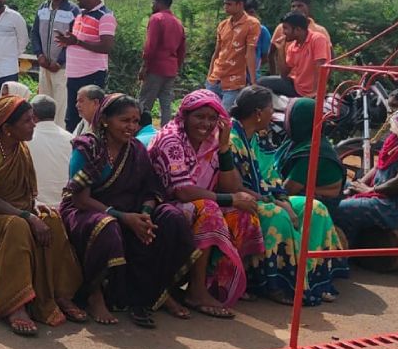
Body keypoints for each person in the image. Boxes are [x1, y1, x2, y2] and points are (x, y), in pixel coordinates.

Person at [61, 94, 196, 327]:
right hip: (86, 211)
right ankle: (95, 294)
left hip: (130, 212)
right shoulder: (87, 147)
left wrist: (144, 213)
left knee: (172, 218)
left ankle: (158, 292)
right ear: (105, 120)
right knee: (107, 226)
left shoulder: (136, 150)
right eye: (125, 121)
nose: (131, 127)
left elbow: (150, 188)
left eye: (135, 121)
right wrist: (123, 217)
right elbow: (81, 198)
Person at [0, 96, 84, 335]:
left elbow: (25, 194)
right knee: (18, 226)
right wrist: (27, 216)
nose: (34, 124)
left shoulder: (20, 148)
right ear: (6, 128)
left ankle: (59, 294)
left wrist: (35, 210)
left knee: (53, 221)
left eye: (33, 119)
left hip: (10, 209)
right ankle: (14, 305)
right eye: (27, 121)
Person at [149, 88, 264, 319]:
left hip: (197, 202)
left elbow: (231, 186)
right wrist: (232, 199)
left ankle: (215, 283)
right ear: (185, 116)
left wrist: (223, 148)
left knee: (242, 214)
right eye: (199, 117)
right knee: (210, 209)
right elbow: (182, 191)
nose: (206, 124)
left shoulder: (212, 142)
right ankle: (196, 290)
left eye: (212, 118)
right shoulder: (171, 139)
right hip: (163, 205)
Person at [229, 86, 347, 306]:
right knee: (277, 216)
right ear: (257, 113)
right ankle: (276, 284)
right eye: (270, 109)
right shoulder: (232, 139)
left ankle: (310, 277)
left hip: (267, 194)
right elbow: (234, 186)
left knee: (315, 208)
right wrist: (277, 203)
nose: (273, 115)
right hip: (244, 198)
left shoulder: (261, 137)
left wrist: (284, 201)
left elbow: (272, 176)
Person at [338, 86, 398, 246]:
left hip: (397, 204)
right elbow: (379, 165)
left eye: (396, 107)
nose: (391, 112)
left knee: (342, 208)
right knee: (339, 187)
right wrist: (358, 185)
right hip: (381, 192)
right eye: (390, 107)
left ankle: (346, 254)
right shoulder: (397, 133)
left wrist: (369, 191)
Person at [273, 97, 346, 220]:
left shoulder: (311, 151)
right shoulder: (300, 139)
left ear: (299, 120)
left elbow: (289, 189)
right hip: (303, 189)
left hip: (324, 200)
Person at [57, 0, 115, 132]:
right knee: (72, 118)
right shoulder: (80, 14)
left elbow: (106, 46)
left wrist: (77, 42)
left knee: (90, 118)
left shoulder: (105, 16)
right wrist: (68, 41)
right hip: (74, 74)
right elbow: (77, 41)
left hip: (91, 75)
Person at [30, 0, 78, 126]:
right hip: (45, 66)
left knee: (60, 105)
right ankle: (41, 134)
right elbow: (35, 33)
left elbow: (73, 39)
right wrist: (39, 55)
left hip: (62, 68)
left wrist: (59, 61)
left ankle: (59, 137)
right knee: (43, 103)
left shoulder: (73, 10)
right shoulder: (42, 8)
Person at [205, 0, 261, 113]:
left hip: (234, 82)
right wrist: (209, 76)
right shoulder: (223, 25)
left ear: (240, 4)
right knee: (207, 114)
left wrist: (253, 82)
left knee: (224, 118)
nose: (225, 7)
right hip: (215, 79)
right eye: (224, 4)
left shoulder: (252, 24)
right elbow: (217, 52)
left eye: (229, 4)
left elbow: (250, 54)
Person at [138, 0, 186, 126]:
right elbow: (182, 50)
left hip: (156, 67)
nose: (152, 5)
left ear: (159, 3)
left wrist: (144, 65)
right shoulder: (178, 22)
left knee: (145, 101)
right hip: (171, 68)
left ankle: (140, 129)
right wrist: (176, 66)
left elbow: (150, 46)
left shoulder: (156, 19)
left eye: (153, 2)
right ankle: (166, 131)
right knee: (166, 103)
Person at [260, 12, 332, 99]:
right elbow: (284, 75)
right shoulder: (293, 46)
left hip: (311, 91)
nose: (283, 33)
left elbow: (320, 68)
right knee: (261, 83)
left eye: (286, 29)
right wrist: (281, 50)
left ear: (297, 30)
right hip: (296, 86)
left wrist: (317, 93)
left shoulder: (317, 39)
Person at [27, 95, 73, 206]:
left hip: (35, 206)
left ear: (32, 114)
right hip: (67, 206)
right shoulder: (72, 138)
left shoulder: (25, 139)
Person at [269, 0, 329, 75]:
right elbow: (271, 53)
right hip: (291, 78)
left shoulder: (319, 32)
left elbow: (326, 62)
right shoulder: (283, 30)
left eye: (300, 6)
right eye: (293, 6)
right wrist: (273, 75)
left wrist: (322, 84)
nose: (296, 9)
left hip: (310, 82)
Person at [246, 0, 272, 83]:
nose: (249, 16)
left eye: (251, 12)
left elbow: (265, 56)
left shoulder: (263, 31)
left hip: (253, 76)